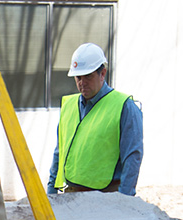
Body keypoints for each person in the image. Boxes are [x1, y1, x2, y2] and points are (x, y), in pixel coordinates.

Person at [47, 43, 143, 196]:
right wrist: (51, 193)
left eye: (88, 76)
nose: (82, 82)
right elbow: (59, 153)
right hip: (71, 193)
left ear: (102, 73)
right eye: (78, 77)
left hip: (106, 196)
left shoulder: (124, 106)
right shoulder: (69, 106)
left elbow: (132, 158)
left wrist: (124, 200)